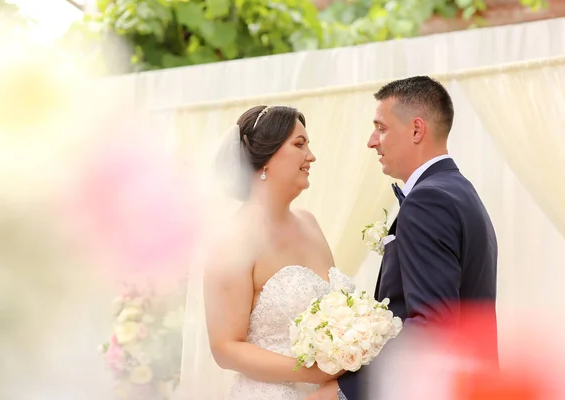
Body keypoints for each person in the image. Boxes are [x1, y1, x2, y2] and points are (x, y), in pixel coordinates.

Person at [306, 76, 498, 400]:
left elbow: (434, 329)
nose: (371, 141)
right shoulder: (460, 191)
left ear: (416, 130)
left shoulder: (428, 201)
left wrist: (345, 389)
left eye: (381, 127)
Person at [186, 105, 356, 399]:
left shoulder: (309, 223)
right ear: (266, 159)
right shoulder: (233, 239)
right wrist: (312, 372)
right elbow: (226, 347)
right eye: (299, 144)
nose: (311, 156)